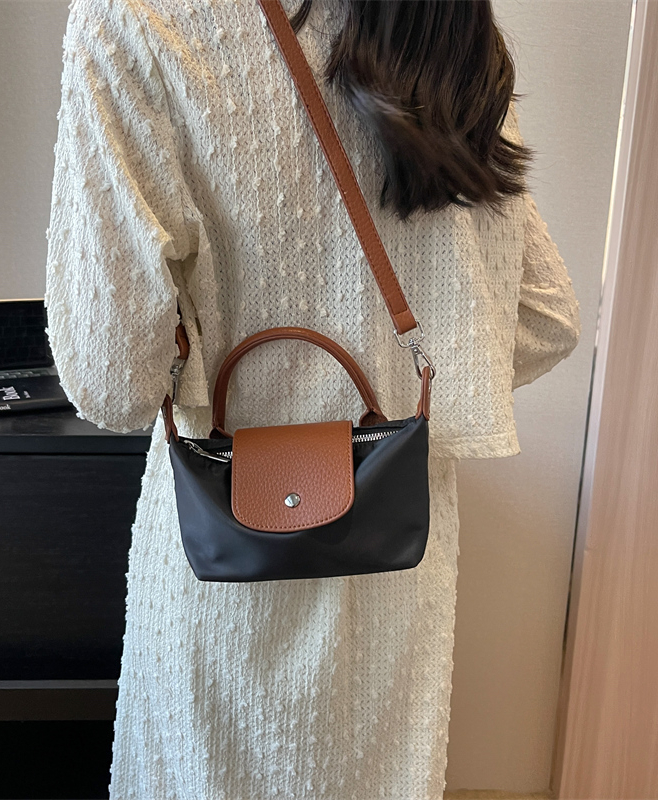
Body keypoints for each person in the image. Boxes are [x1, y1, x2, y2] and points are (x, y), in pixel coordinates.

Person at [44, 0, 581, 796]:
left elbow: (112, 381)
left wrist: (194, 340)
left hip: (223, 571)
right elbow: (544, 317)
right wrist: (388, 400)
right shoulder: (443, 23)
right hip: (394, 565)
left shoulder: (137, 19)